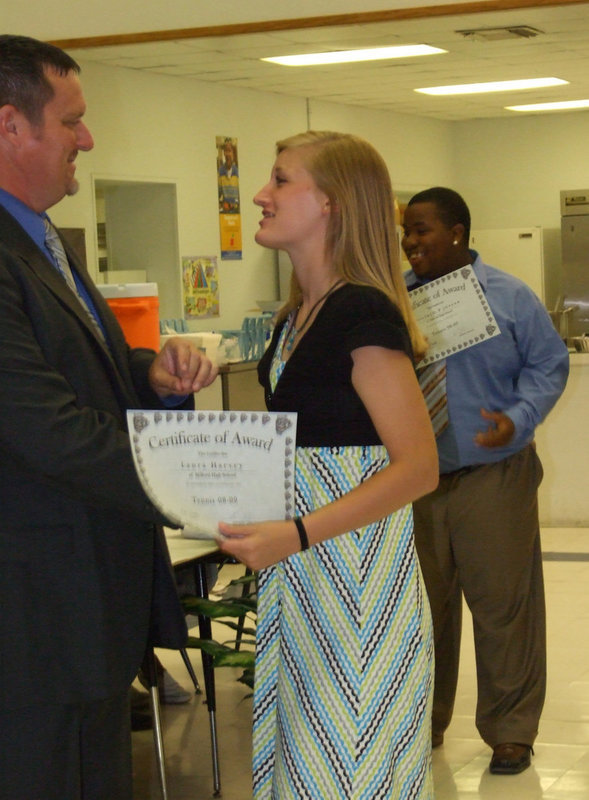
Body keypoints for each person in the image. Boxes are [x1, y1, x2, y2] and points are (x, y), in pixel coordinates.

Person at [0, 35, 217, 799]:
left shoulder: (44, 242)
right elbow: (43, 427)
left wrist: (148, 375)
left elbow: (84, 378)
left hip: (83, 610)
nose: (87, 140)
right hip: (33, 621)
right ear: (9, 127)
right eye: (72, 122)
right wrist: (200, 480)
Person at [218, 131, 439, 799]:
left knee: (346, 773)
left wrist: (297, 532)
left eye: (280, 180)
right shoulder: (295, 317)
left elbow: (417, 468)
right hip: (305, 582)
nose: (260, 194)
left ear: (331, 204)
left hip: (358, 591)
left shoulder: (361, 312)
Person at [401, 187, 569, 775]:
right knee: (424, 608)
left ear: (457, 231)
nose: (411, 242)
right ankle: (424, 720)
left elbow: (550, 363)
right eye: (407, 231)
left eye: (422, 230)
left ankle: (510, 732)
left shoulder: (509, 296)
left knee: (503, 608)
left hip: (493, 473)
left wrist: (519, 418)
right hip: (417, 479)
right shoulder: (395, 301)